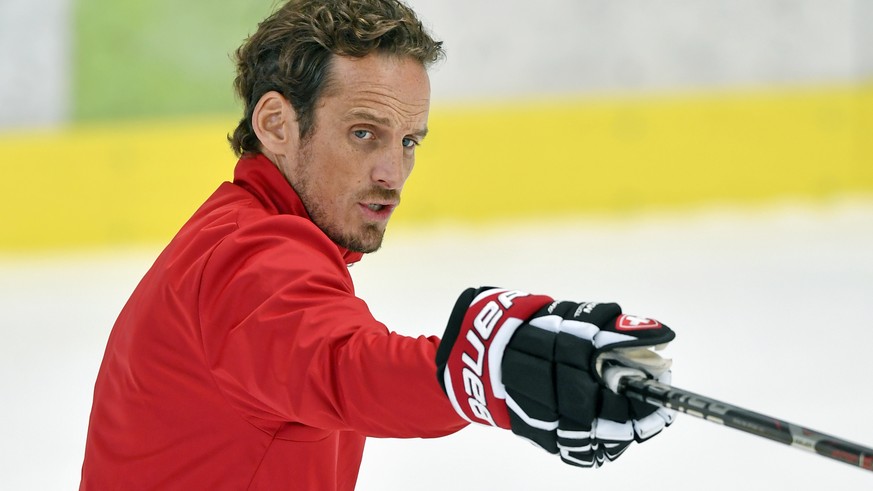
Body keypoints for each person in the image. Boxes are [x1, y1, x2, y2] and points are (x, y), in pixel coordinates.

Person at [80, 1, 677, 489]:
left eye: (410, 141)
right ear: (276, 125)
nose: (394, 172)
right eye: (364, 133)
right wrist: (483, 368)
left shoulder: (240, 231)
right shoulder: (251, 259)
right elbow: (343, 364)